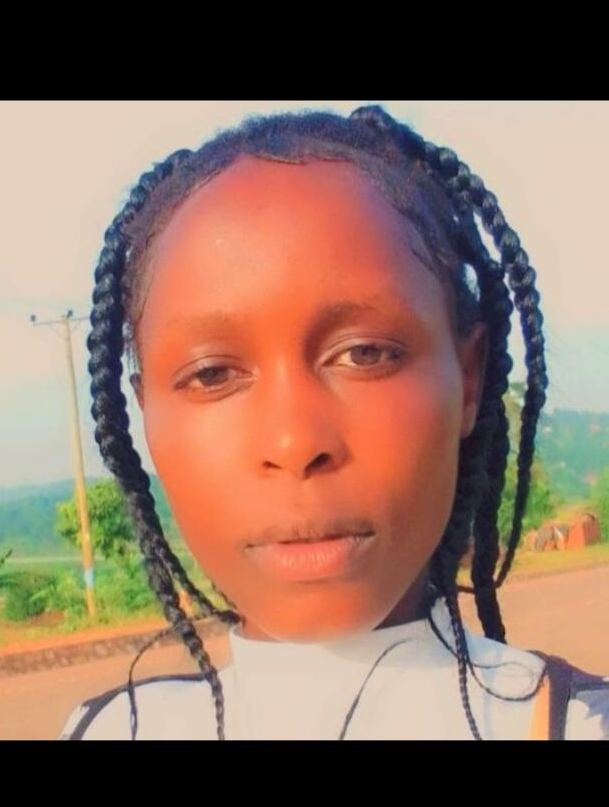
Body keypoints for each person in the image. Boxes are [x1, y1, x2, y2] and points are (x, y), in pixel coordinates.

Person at [59, 104, 609, 740]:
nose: (295, 442)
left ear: (468, 380)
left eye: (365, 354)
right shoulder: (108, 729)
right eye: (212, 375)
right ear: (146, 415)